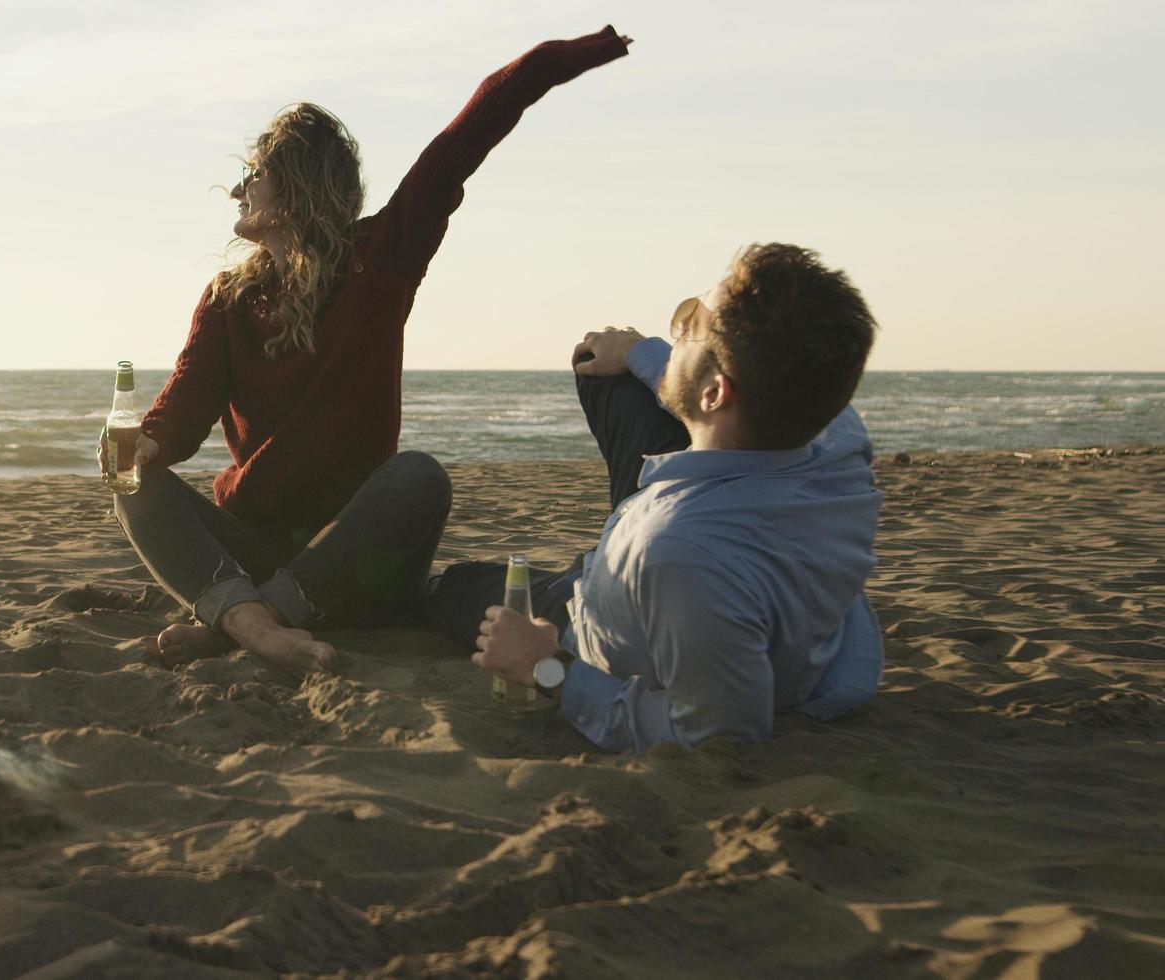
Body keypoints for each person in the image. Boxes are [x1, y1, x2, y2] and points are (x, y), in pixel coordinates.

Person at [106, 27, 634, 677]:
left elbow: (467, 137)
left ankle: (241, 622)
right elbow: (184, 403)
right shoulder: (228, 299)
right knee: (131, 473)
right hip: (254, 548)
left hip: (355, 565)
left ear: (294, 183)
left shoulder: (380, 260)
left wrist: (580, 52)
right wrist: (144, 443)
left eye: (253, 174)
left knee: (420, 479)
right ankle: (259, 627)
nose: (238, 191)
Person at [431, 243, 883, 751]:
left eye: (690, 325)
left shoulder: (683, 556)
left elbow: (718, 734)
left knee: (454, 590)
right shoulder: (837, 430)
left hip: (594, 619)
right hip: (684, 534)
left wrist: (547, 668)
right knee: (608, 370)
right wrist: (637, 351)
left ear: (714, 393)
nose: (677, 333)